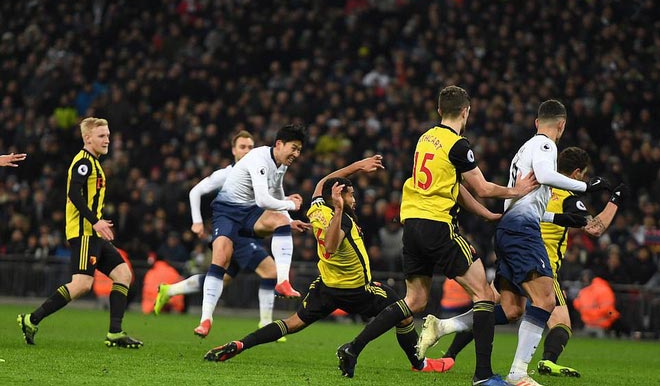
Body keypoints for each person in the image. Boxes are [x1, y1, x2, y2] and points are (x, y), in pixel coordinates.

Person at [336, 85, 538, 386]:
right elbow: (481, 187)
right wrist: (516, 191)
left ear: (439, 110)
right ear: (466, 112)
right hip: (437, 226)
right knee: (483, 293)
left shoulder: (425, 139)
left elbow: (454, 188)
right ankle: (483, 375)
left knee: (415, 300)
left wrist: (486, 214)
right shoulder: (459, 145)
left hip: (413, 224)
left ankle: (353, 347)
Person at [418, 100, 611, 386]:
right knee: (545, 299)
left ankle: (443, 325)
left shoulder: (524, 150)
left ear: (536, 121)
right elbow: (546, 177)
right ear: (562, 125)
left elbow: (528, 200)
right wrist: (586, 186)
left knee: (511, 309)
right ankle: (519, 373)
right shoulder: (546, 145)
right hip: (521, 230)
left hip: (510, 227)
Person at [204, 155, 450, 375]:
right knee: (402, 311)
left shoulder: (317, 208)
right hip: (356, 289)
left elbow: (324, 181)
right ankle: (398, 359)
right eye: (350, 195)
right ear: (339, 198)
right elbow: (331, 246)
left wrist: (358, 166)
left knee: (293, 323)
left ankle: (240, 344)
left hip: (327, 285)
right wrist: (341, 209)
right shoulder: (342, 221)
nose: (354, 200)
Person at [18, 117, 142, 348]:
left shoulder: (94, 162)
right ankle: (31, 319)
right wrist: (95, 221)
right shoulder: (83, 162)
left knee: (123, 274)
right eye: (101, 136)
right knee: (83, 283)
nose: (107, 140)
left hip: (93, 232)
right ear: (88, 138)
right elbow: (75, 195)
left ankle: (115, 332)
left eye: (107, 135)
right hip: (84, 232)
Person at [154, 131, 288, 341]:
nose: (247, 150)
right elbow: (195, 191)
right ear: (233, 150)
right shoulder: (227, 174)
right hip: (236, 234)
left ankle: (169, 290)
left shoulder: (262, 170)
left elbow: (270, 199)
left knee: (220, 278)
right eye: (242, 146)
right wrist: (197, 221)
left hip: (246, 230)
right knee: (270, 271)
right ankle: (265, 322)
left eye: (250, 147)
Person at [193, 124, 310, 338]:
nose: (296, 154)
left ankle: (283, 282)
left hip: (250, 213)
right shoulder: (259, 158)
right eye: (293, 148)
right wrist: (291, 205)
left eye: (299, 150)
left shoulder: (281, 164)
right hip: (227, 212)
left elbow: (276, 192)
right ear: (279, 144)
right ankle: (205, 319)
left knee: (280, 222)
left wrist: (289, 218)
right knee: (220, 258)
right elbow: (264, 199)